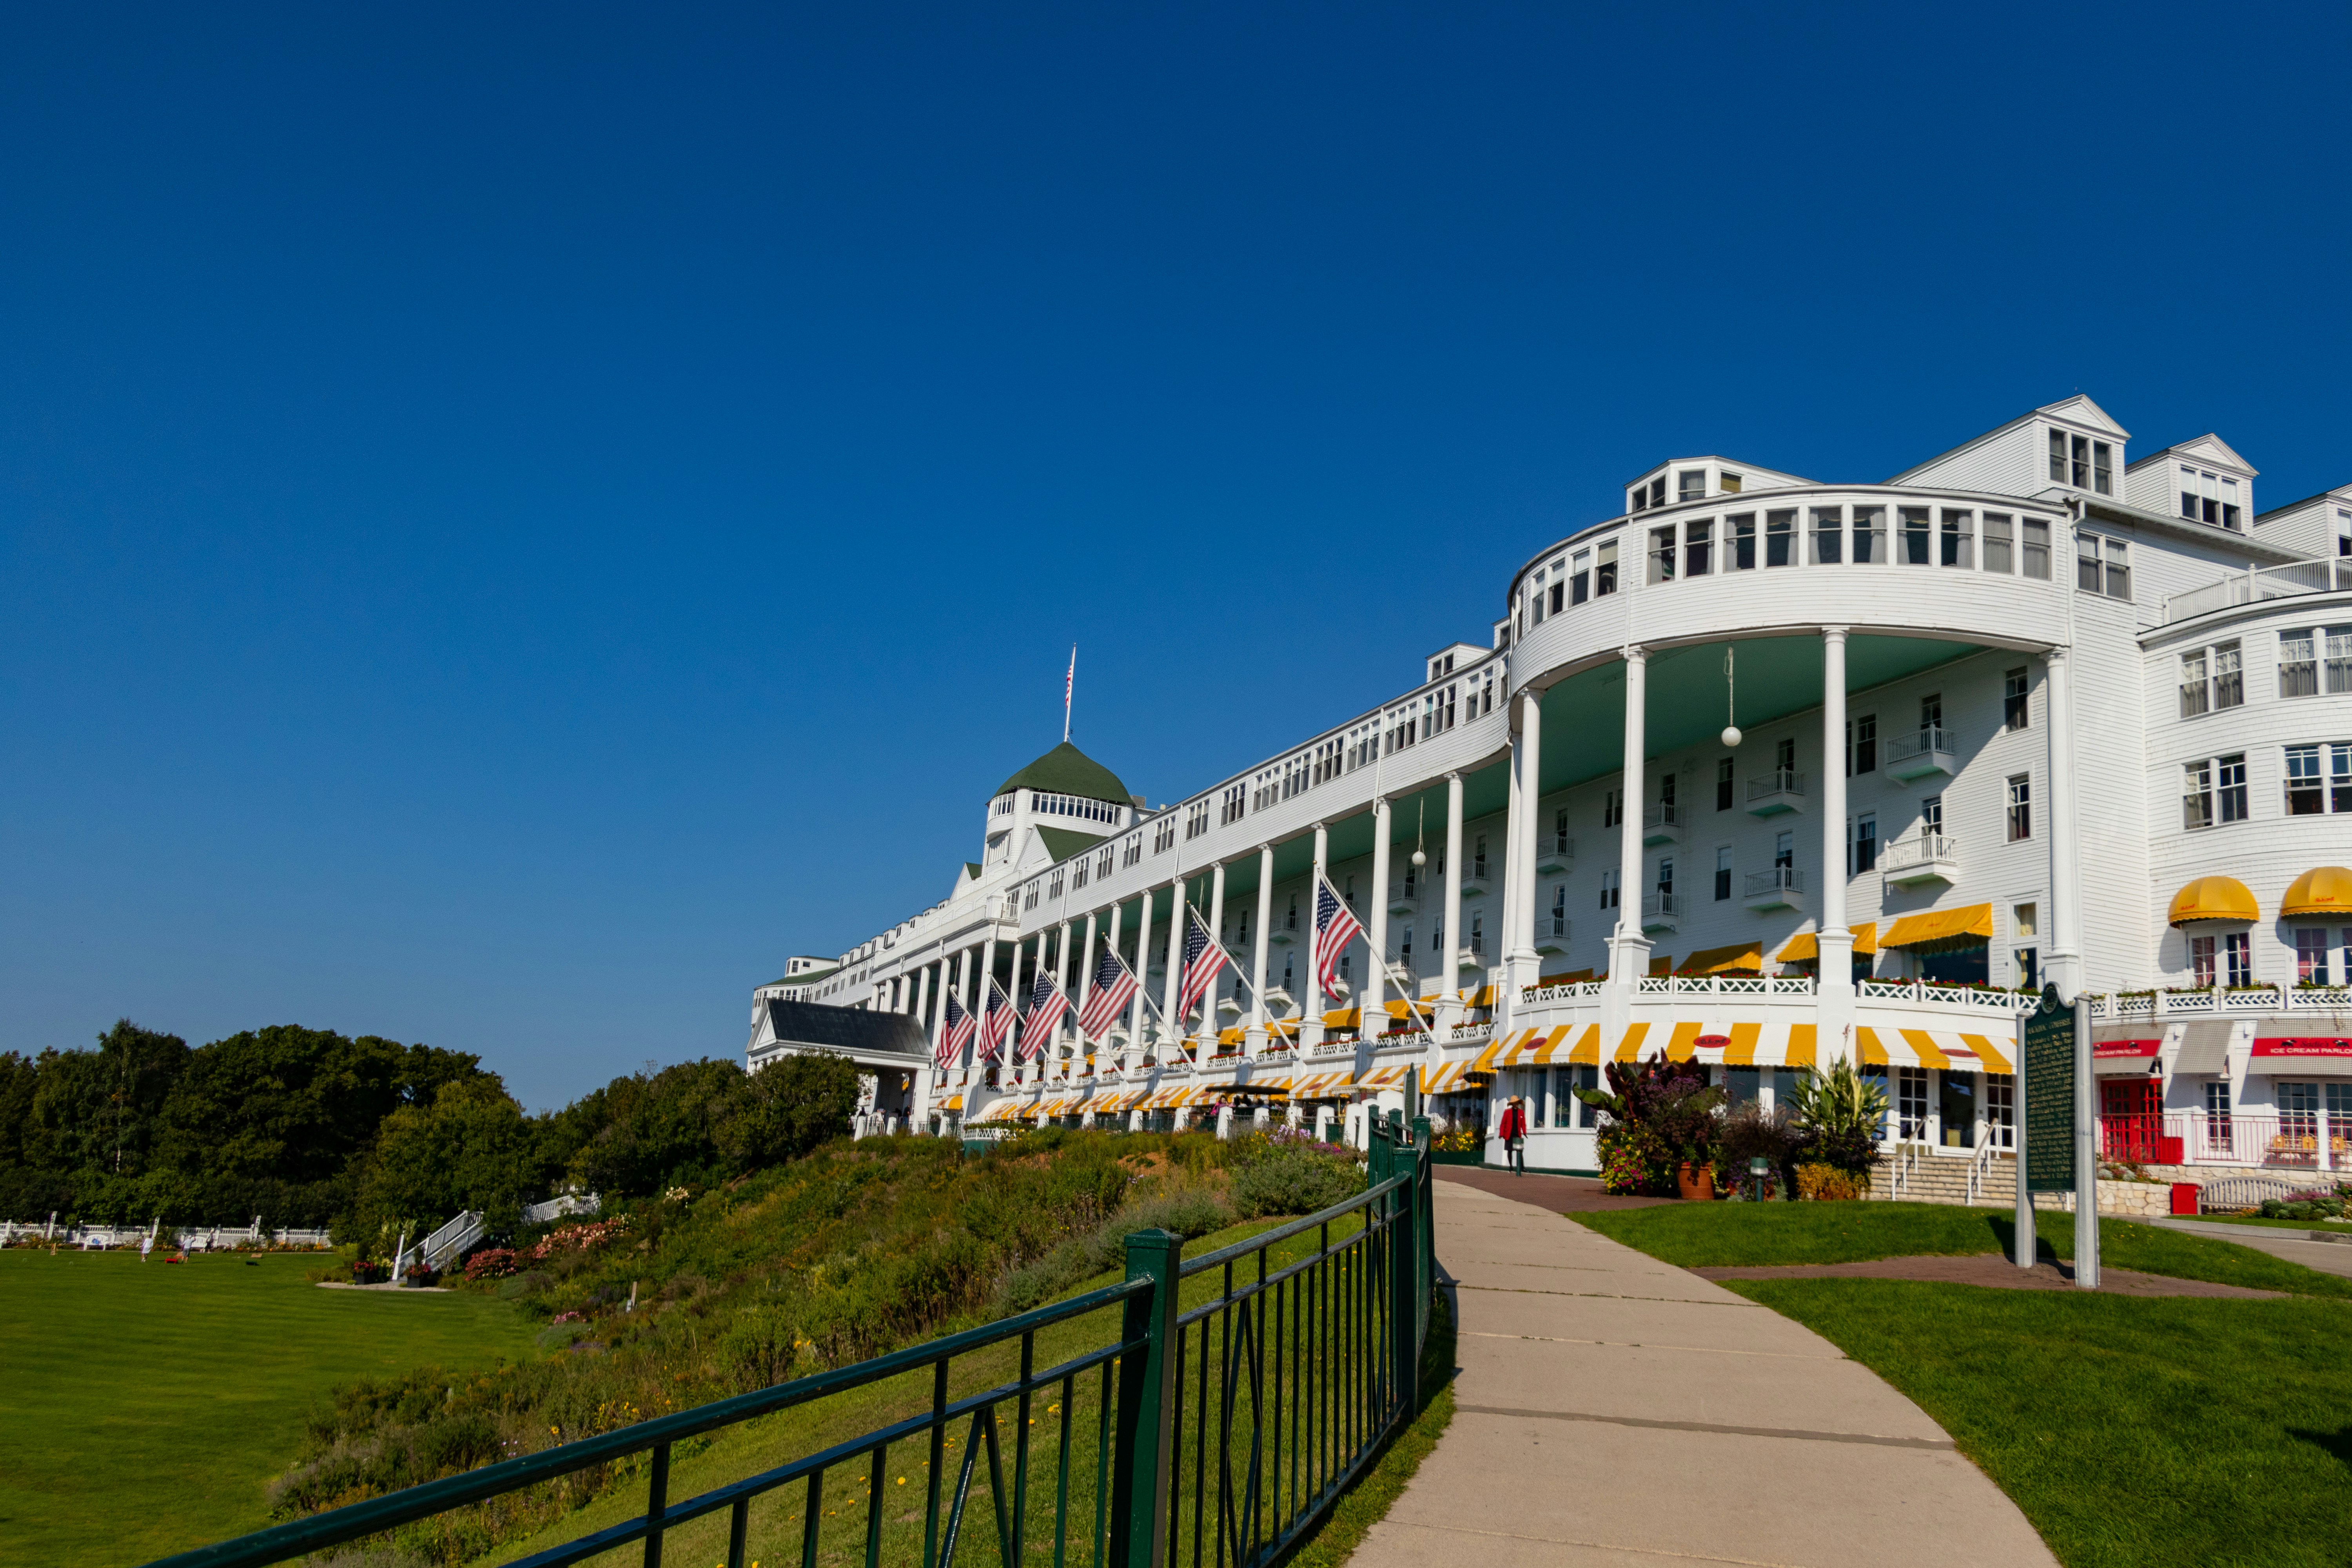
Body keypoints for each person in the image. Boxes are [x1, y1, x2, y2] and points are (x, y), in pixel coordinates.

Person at [1498, 1096, 1528, 1176]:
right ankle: (1511, 1166)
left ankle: (1522, 1167)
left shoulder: (1521, 1112)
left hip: (1517, 1134)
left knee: (1520, 1151)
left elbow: (1523, 1124)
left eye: (1517, 1103)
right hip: (1509, 1134)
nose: (1516, 1105)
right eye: (1515, 1103)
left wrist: (1525, 1132)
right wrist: (1501, 1134)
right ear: (1512, 1104)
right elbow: (1503, 1124)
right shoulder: (1507, 1112)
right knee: (1510, 1150)